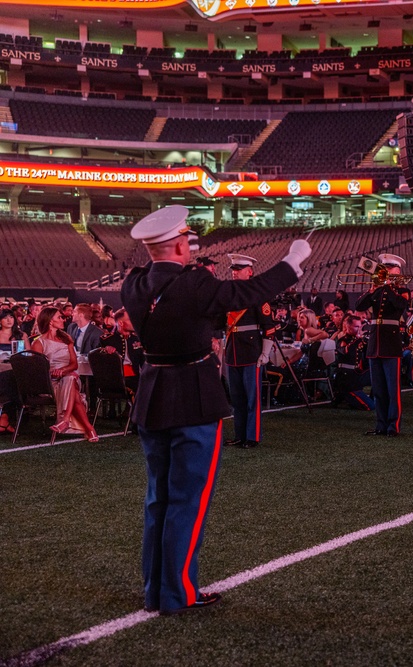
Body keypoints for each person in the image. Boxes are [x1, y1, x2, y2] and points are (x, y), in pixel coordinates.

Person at [121, 205, 308, 615]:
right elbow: (245, 293)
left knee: (159, 498)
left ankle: (155, 589)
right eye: (187, 239)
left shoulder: (132, 285)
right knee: (188, 500)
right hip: (193, 396)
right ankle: (178, 593)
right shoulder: (195, 283)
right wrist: (292, 263)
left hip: (152, 397)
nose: (191, 245)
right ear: (177, 245)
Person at [223, 254, 280, 449]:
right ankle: (239, 435)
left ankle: (252, 436)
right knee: (237, 399)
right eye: (233, 269)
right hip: (233, 352)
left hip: (251, 353)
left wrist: (265, 352)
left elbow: (268, 327)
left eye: (238, 269)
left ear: (250, 271)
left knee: (252, 399)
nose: (234, 272)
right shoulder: (229, 295)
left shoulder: (258, 296)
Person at [355, 253, 410, 437]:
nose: (384, 271)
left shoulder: (402, 291)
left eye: (388, 269)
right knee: (377, 389)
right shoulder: (376, 290)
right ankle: (380, 425)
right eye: (383, 268)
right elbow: (359, 306)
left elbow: (399, 305)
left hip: (391, 343)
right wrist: (372, 290)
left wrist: (386, 287)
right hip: (375, 343)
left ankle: (393, 426)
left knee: (392, 389)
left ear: (397, 272)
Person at [30, 306, 99, 441]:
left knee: (70, 378)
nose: (63, 319)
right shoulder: (38, 343)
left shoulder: (67, 338)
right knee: (73, 388)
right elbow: (38, 371)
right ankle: (89, 428)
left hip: (68, 375)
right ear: (50, 321)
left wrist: (63, 371)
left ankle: (65, 419)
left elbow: (74, 364)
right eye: (60, 317)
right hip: (51, 383)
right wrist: (54, 373)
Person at [331, 314, 375, 410]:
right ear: (347, 327)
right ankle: (343, 395)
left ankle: (369, 399)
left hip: (356, 375)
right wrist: (358, 339)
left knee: (378, 375)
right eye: (356, 327)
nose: (359, 329)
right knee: (370, 407)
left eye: (360, 326)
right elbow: (346, 351)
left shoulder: (360, 340)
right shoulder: (343, 340)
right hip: (346, 379)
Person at [98, 308, 145, 393]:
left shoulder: (137, 339)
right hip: (115, 380)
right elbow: (98, 361)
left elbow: (144, 363)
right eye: (130, 319)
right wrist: (105, 350)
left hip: (135, 377)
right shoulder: (106, 340)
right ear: (120, 323)